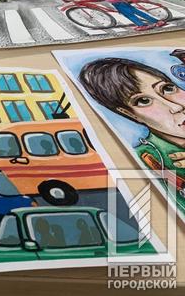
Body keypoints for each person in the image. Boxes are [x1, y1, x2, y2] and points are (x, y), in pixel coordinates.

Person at [79, 57, 185, 213]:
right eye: (144, 101)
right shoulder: (151, 159)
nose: (176, 107)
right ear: (129, 114)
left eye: (167, 88)